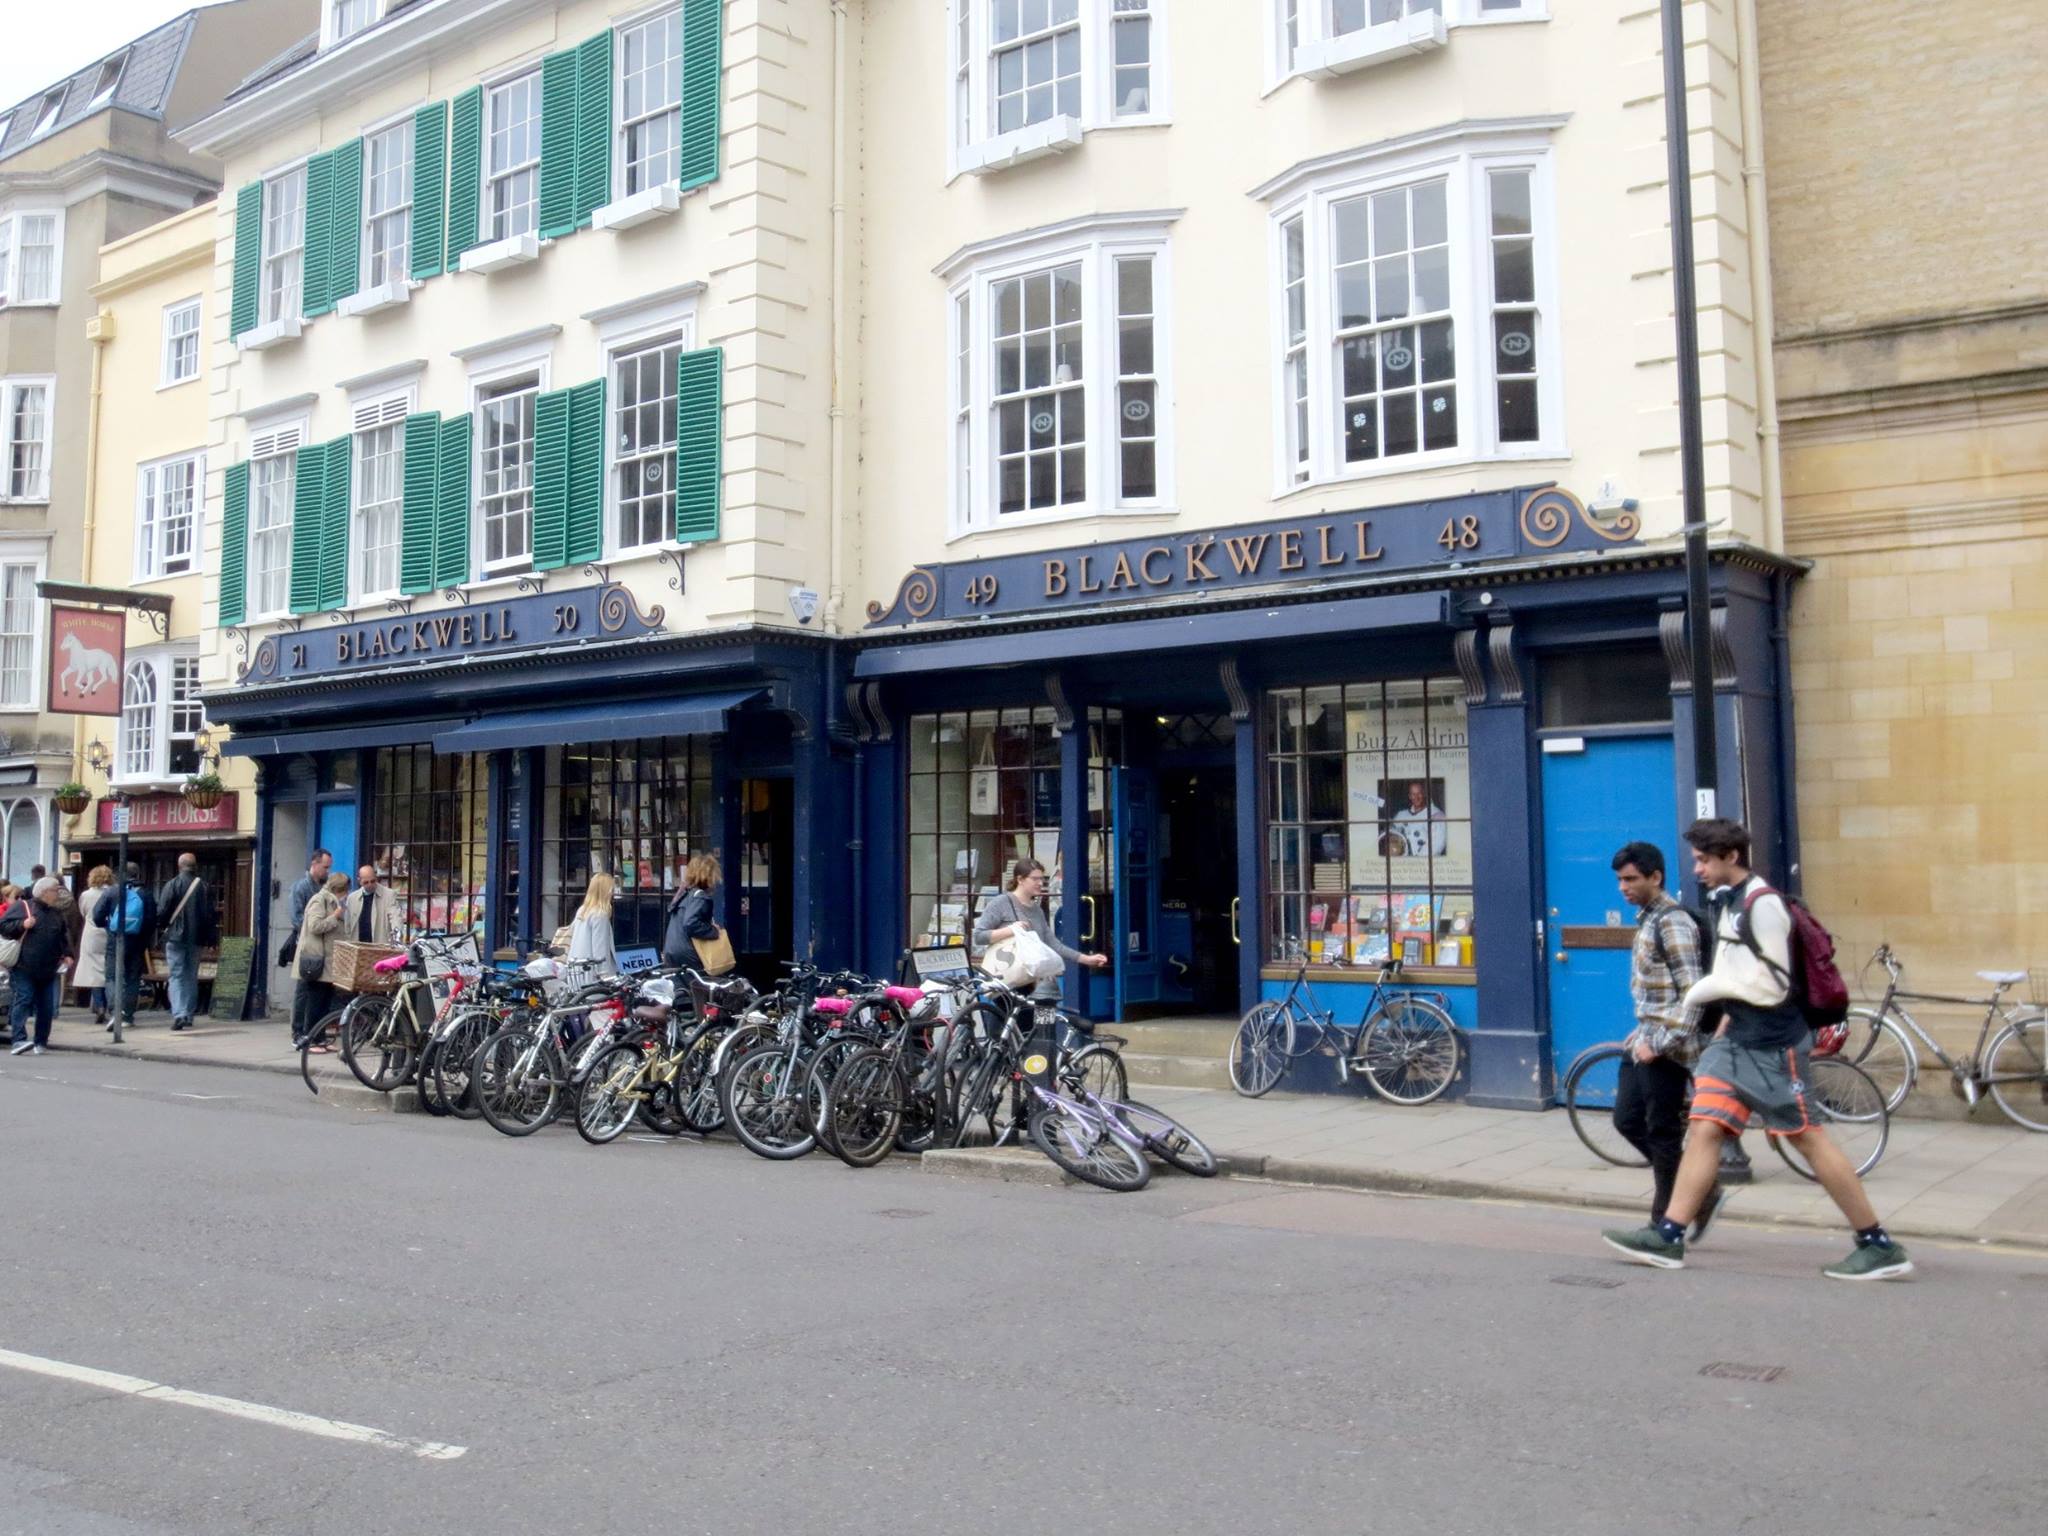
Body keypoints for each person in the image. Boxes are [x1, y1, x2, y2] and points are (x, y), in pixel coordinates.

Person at [1603, 818, 1911, 1280]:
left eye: (1704, 860)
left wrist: (1708, 990)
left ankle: (1877, 1242)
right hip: (1736, 1041)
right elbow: (1738, 967)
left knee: (1806, 1136)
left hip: (1772, 1043)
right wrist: (1723, 1014)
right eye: (1696, 860)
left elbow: (1774, 983)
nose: (1698, 868)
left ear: (1731, 858)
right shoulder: (1728, 904)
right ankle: (1668, 1235)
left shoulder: (1761, 904)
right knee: (1705, 1126)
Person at [1608, 841, 1719, 1238]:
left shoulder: (1672, 922)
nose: (1624, 887)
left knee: (1662, 1131)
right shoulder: (1647, 918)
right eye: (1620, 880)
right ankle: (1699, 1191)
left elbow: (1694, 991)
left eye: (1632, 879)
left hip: (1669, 1048)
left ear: (1656, 877)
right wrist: (1642, 1031)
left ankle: (1663, 1223)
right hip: (1645, 1038)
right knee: (1626, 1120)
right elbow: (1656, 989)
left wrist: (1660, 1042)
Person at [973, 858, 1110, 1049]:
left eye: (1042, 879)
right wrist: (1011, 930)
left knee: (1037, 1035)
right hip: (1009, 981)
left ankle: (1031, 1074)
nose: (1040, 883)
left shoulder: (1036, 909)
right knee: (1001, 1037)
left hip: (1036, 985)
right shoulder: (1001, 903)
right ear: (1020, 879)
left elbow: (1053, 944)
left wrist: (1086, 959)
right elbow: (979, 936)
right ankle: (995, 1074)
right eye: (1035, 879)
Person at [4, 879, 74, 1055]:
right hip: (23, 965)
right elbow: (3, 927)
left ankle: (41, 1041)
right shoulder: (23, 907)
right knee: (24, 999)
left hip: (48, 967)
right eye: (55, 890)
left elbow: (63, 936)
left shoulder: (57, 913)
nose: (57, 894)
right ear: (44, 892)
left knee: (46, 1006)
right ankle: (18, 1040)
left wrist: (68, 954)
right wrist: (22, 924)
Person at [91, 862, 156, 1031]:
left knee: (113, 976)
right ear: (137, 874)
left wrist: (108, 925)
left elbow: (97, 916)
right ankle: (127, 1016)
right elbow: (151, 920)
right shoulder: (146, 894)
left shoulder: (112, 892)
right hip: (138, 942)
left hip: (115, 939)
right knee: (133, 978)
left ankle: (115, 1011)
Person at [156, 853, 218, 1032]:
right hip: (197, 938)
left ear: (179, 866)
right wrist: (211, 938)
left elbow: (162, 911)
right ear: (195, 866)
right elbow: (210, 915)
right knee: (191, 975)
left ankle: (180, 1014)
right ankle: (188, 1014)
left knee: (176, 975)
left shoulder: (172, 885)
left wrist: (161, 927)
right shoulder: (204, 887)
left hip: (175, 938)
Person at [292, 871, 350, 1051]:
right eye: (346, 890)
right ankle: (310, 1039)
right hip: (317, 960)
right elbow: (314, 926)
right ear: (339, 889)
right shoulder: (320, 900)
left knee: (324, 1002)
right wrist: (335, 916)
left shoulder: (332, 901)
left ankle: (321, 1038)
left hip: (329, 960)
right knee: (315, 1002)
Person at [663, 854, 733, 974]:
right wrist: (713, 931)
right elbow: (691, 924)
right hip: (689, 953)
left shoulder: (685, 895)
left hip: (671, 951)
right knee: (704, 987)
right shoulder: (700, 897)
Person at [74, 865, 113, 1024]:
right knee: (108, 970)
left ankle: (99, 1005)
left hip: (91, 933)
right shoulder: (112, 893)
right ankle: (110, 1004)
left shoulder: (86, 895)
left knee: (93, 973)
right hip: (109, 932)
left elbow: (83, 912)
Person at [282, 848, 333, 969]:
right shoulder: (300, 887)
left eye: (329, 867)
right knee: (307, 980)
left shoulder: (326, 887)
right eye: (325, 867)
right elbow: (296, 918)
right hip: (307, 945)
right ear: (314, 864)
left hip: (324, 945)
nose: (328, 871)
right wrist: (313, 930)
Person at [565, 873, 619, 986]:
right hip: (592, 976)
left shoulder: (582, 910)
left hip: (575, 972)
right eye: (612, 890)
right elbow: (600, 949)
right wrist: (606, 977)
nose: (613, 893)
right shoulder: (600, 915)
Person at [344, 864, 399, 946]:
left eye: (373, 881)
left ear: (376, 878)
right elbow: (347, 925)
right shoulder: (352, 898)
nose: (370, 885)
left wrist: (396, 937)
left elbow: (395, 917)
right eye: (366, 882)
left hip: (380, 945)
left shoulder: (389, 895)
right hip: (358, 945)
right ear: (359, 881)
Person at [1391, 781, 1448, 856]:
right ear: (1409, 796)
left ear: (1424, 794)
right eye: (1413, 794)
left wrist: (1416, 861)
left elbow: (1437, 845)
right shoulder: (1401, 815)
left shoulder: (1437, 816)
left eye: (1419, 793)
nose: (1416, 797)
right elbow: (1391, 838)